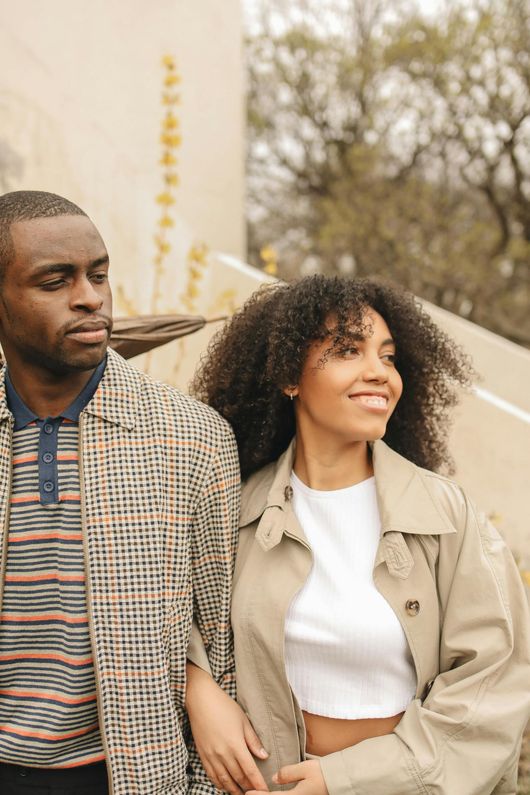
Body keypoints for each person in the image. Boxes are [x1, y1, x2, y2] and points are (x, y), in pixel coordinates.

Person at [186, 275, 530, 795]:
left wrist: (341, 779)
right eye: (348, 350)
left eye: (388, 357)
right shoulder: (233, 511)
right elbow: (168, 620)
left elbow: (493, 685)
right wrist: (197, 689)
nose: (379, 373)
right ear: (289, 375)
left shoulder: (446, 515)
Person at [0, 190, 239, 795]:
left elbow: (225, 647)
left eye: (99, 275)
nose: (90, 297)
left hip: (130, 777)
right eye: (55, 281)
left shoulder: (193, 438)